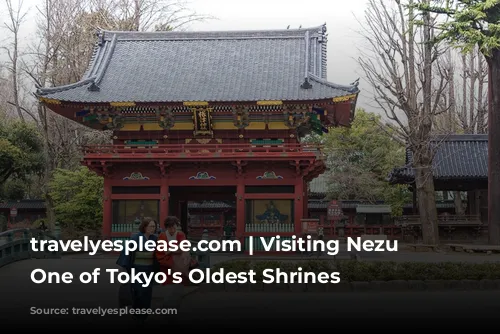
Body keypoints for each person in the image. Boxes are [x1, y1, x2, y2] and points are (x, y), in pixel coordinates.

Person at [116, 217, 158, 323]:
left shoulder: (155, 239)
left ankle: (143, 314)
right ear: (144, 227)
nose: (152, 228)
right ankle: (136, 312)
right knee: (138, 292)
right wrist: (123, 270)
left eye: (154, 226)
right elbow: (126, 252)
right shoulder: (135, 238)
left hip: (149, 270)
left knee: (147, 293)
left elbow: (159, 253)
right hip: (137, 269)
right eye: (150, 226)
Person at [155, 216, 190, 322]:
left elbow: (184, 247)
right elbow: (160, 252)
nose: (172, 230)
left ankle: (174, 309)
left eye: (174, 227)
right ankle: (167, 310)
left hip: (179, 267)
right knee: (168, 290)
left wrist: (170, 250)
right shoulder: (162, 236)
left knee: (178, 289)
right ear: (166, 227)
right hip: (167, 267)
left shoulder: (180, 235)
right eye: (170, 228)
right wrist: (173, 251)